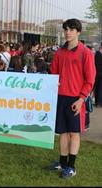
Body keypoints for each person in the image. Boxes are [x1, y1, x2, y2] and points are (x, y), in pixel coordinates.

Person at [50, 19, 96, 179]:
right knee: (62, 132)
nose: (68, 32)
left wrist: (81, 99)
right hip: (61, 98)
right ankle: (62, 163)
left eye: (71, 29)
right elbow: (54, 75)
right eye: (66, 30)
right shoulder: (59, 52)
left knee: (74, 133)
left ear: (78, 32)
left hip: (76, 99)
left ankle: (71, 166)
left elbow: (90, 79)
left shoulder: (86, 53)